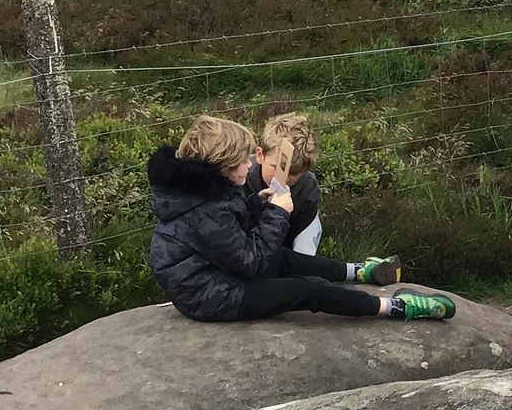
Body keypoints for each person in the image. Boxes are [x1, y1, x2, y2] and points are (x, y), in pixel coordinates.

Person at [147, 114, 453, 323]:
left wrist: (256, 203)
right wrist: (278, 212)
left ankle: (358, 272)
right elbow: (251, 262)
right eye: (242, 161)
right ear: (221, 167)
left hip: (215, 276)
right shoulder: (203, 209)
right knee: (307, 290)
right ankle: (394, 307)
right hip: (212, 297)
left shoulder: (202, 191)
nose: (249, 165)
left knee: (284, 259)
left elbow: (227, 232)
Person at [244, 111, 323, 254]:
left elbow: (302, 248)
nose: (285, 179)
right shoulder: (240, 176)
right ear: (260, 155)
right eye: (277, 167)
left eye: (294, 172)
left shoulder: (307, 188)